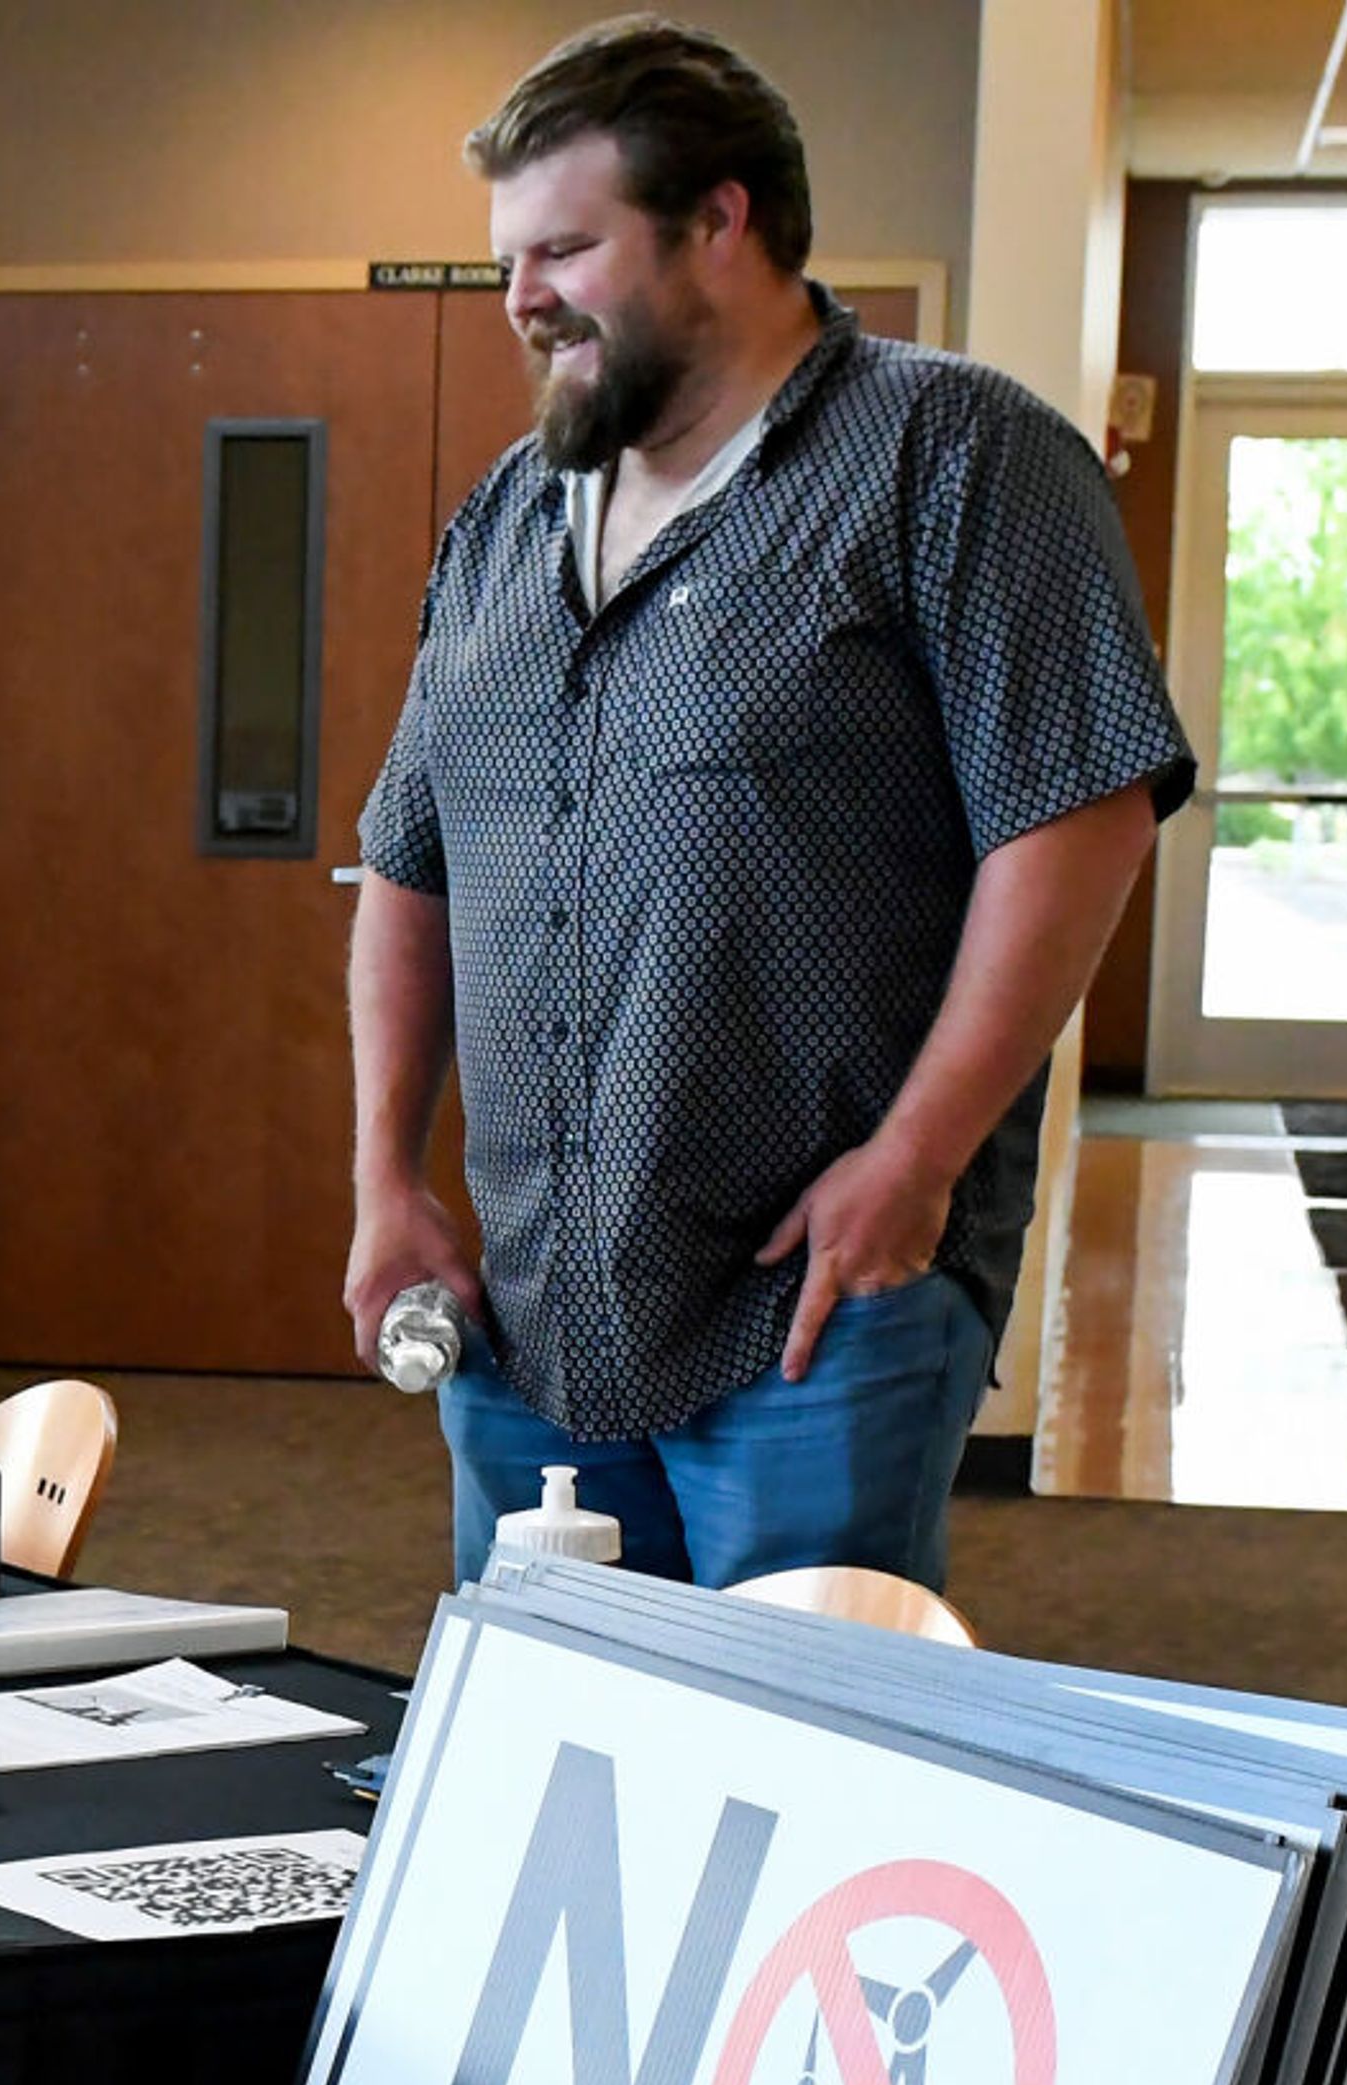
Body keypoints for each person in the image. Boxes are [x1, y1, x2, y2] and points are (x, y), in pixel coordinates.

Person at [340, 18, 1192, 1592]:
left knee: (806, 1782)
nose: (521, 298)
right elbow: (412, 859)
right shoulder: (506, 523)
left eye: (567, 248)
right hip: (527, 1316)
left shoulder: (952, 455)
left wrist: (920, 1158)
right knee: (552, 1780)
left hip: (818, 1298)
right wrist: (386, 1175)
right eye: (509, 256)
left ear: (721, 222)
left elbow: (1082, 815)